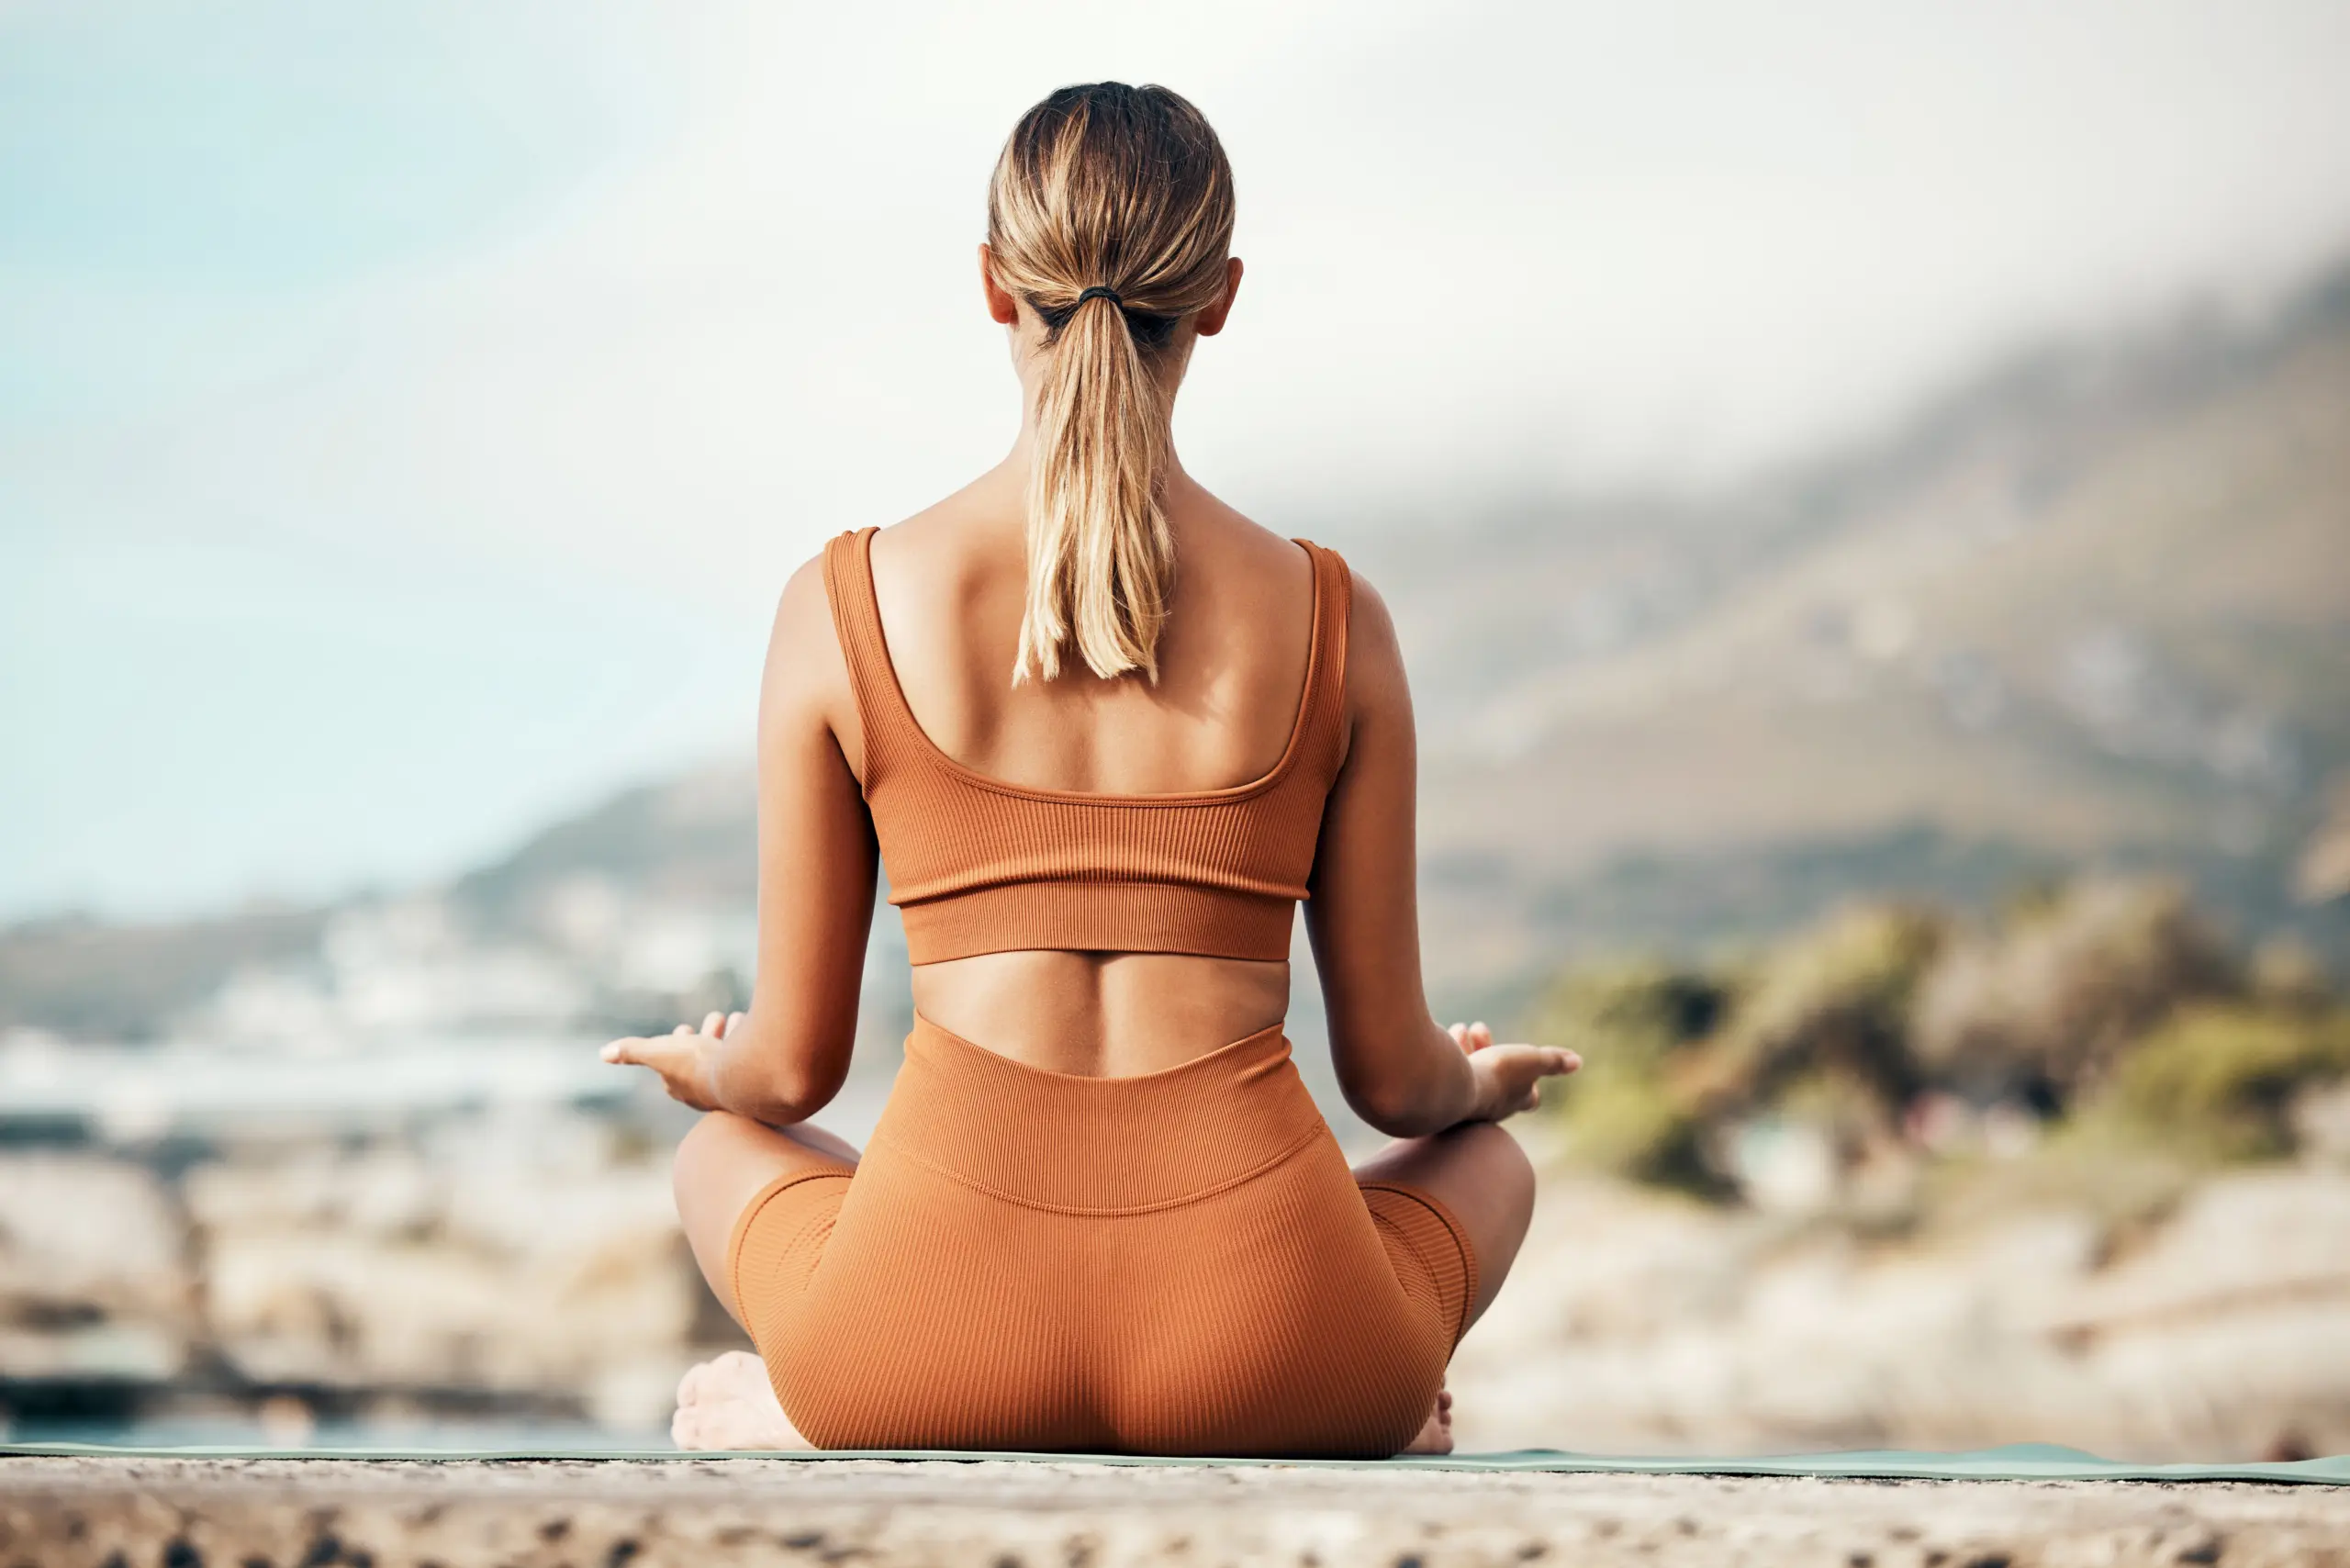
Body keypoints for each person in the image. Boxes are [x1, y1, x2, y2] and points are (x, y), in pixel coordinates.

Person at [602, 81, 1579, 1459]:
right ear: (1222, 297)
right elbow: (1398, 1090)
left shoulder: (843, 605)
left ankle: (805, 1407)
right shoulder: (1335, 619)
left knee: (723, 1156)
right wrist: (1481, 1087)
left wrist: (711, 1075)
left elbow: (792, 1074)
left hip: (909, 1348)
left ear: (997, 286)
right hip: (1287, 1354)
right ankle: (1364, 1396)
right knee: (1488, 1167)